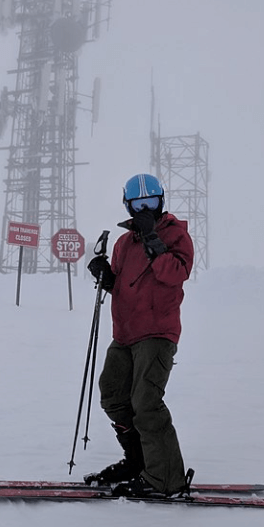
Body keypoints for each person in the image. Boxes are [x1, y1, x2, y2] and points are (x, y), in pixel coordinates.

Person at [85, 173, 195, 498]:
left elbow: (176, 273)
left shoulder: (176, 235)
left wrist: (153, 241)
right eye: (138, 204)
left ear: (161, 200)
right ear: (128, 206)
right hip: (125, 334)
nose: (145, 209)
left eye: (151, 202)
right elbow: (121, 285)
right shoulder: (123, 243)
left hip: (157, 332)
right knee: (113, 395)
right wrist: (105, 276)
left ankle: (165, 480)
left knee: (146, 403)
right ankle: (139, 462)